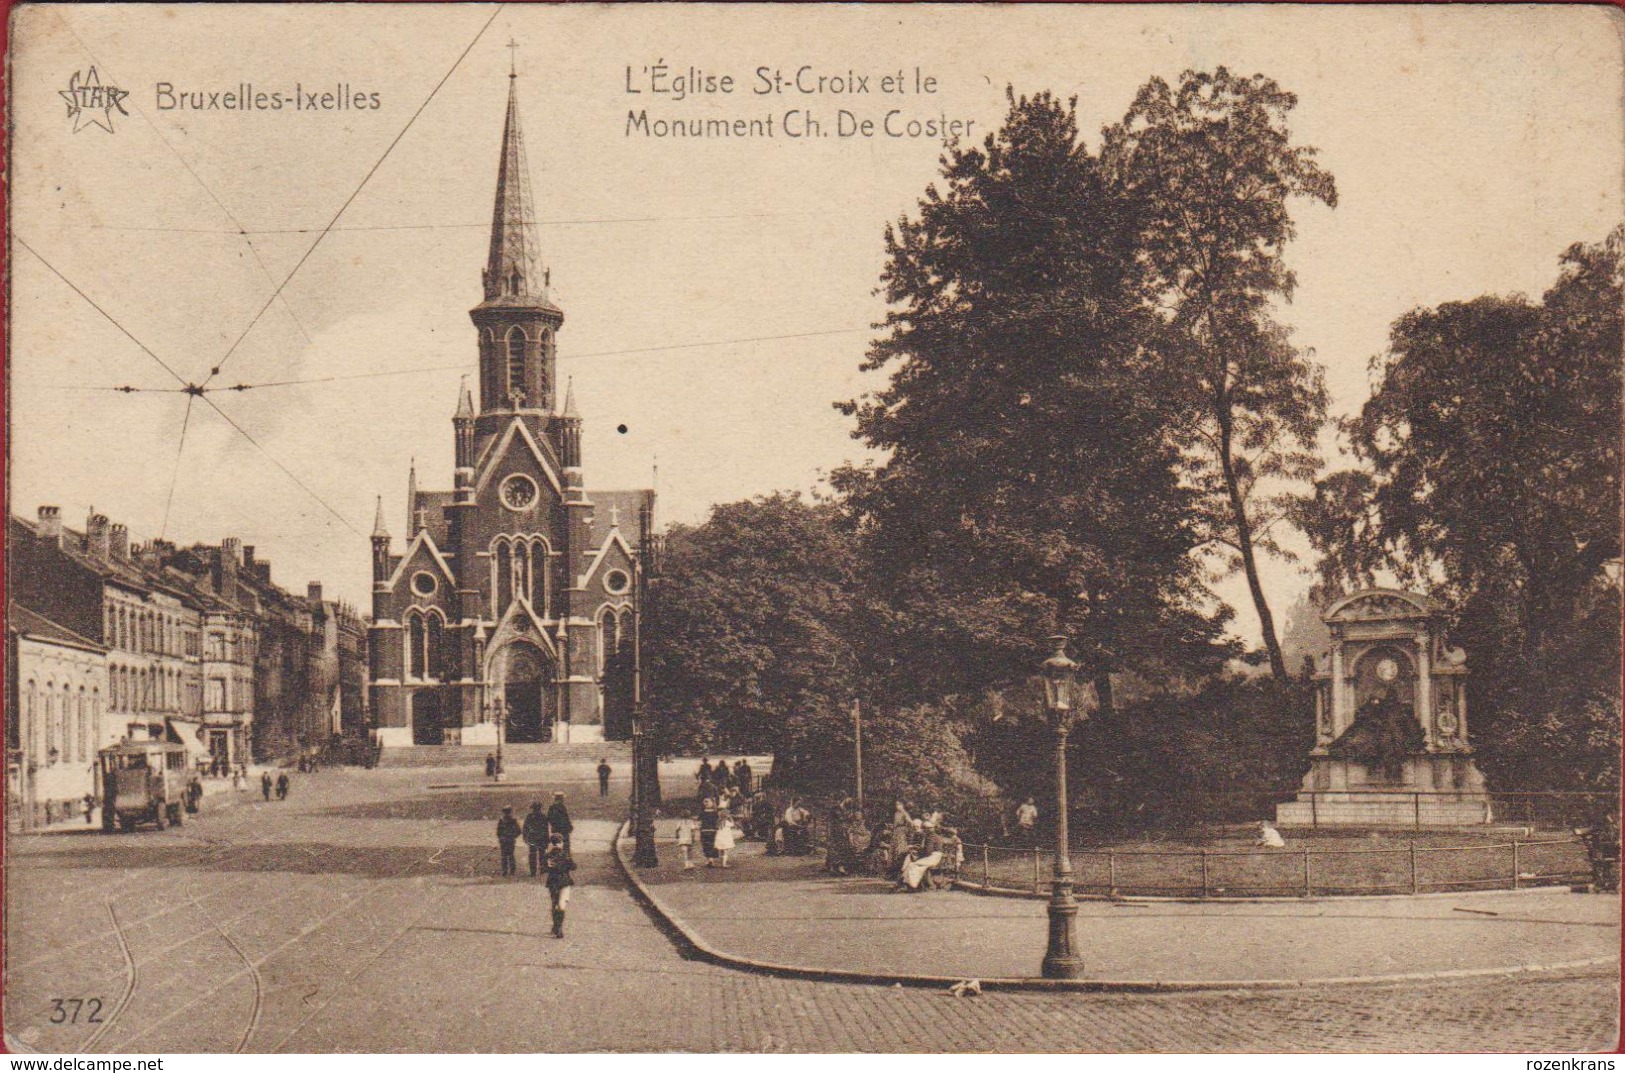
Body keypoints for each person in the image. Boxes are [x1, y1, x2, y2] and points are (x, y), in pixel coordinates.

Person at [544, 833, 576, 937]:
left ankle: (556, 926)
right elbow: (573, 866)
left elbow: (544, 868)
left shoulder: (548, 855)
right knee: (561, 905)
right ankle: (559, 928)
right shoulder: (565, 854)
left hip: (553, 882)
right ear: (561, 843)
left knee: (554, 903)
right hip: (564, 882)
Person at [522, 802, 549, 876]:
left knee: (532, 855)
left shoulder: (529, 816)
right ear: (540, 808)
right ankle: (542, 870)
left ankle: (533, 872)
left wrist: (525, 837)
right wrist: (547, 840)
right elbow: (546, 829)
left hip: (532, 838)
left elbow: (525, 828)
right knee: (542, 854)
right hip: (542, 838)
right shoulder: (543, 816)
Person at [496, 806, 521, 877]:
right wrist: (513, 836)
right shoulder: (513, 820)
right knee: (511, 856)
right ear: (510, 812)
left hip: (503, 840)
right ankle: (512, 871)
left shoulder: (501, 820)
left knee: (504, 856)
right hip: (510, 840)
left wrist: (501, 838)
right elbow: (519, 831)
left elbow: (498, 832)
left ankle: (505, 871)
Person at [699, 792, 720, 865]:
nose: (705, 803)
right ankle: (710, 859)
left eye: (707, 801)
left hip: (709, 830)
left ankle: (710, 859)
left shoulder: (714, 813)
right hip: (706, 830)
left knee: (710, 844)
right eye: (705, 801)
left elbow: (718, 822)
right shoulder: (704, 812)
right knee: (708, 844)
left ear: (712, 802)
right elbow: (699, 822)